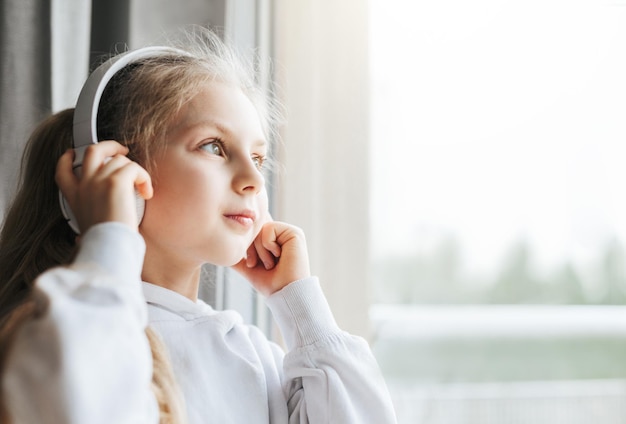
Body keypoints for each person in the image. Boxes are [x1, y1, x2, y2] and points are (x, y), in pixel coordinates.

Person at [0, 26, 397, 424]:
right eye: (214, 146)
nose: (255, 181)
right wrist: (110, 238)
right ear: (115, 173)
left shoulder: (252, 354)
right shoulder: (53, 331)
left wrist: (299, 306)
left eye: (258, 158)